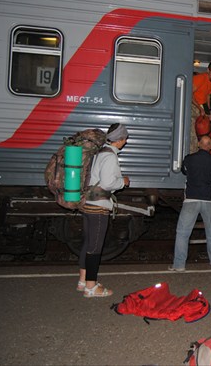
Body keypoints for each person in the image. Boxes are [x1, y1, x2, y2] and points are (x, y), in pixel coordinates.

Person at [77, 123, 130, 298]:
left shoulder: (99, 153)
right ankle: (91, 287)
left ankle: (83, 281)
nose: (125, 141)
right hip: (98, 207)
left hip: (88, 204)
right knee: (95, 247)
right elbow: (108, 183)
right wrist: (123, 182)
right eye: (125, 138)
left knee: (88, 243)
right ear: (119, 139)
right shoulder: (110, 157)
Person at [169, 135, 211, 272]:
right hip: (208, 201)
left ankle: (179, 265)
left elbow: (184, 171)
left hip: (191, 199)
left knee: (183, 232)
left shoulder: (188, 159)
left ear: (199, 144)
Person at [191, 61, 211, 154]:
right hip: (193, 105)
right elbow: (189, 94)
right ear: (208, 70)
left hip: (202, 106)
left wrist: (208, 112)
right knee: (194, 131)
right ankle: (193, 152)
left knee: (206, 129)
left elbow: (207, 96)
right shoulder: (200, 78)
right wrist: (200, 109)